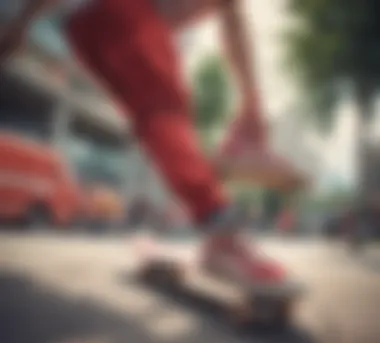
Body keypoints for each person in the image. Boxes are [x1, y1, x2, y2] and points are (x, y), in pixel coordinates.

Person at [0, 0, 297, 284]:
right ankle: (221, 232)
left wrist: (22, 22)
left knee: (156, 109)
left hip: (83, 29)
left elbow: (224, 14)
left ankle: (212, 208)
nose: (196, 16)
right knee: (162, 103)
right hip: (115, 11)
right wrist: (252, 103)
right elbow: (230, 15)